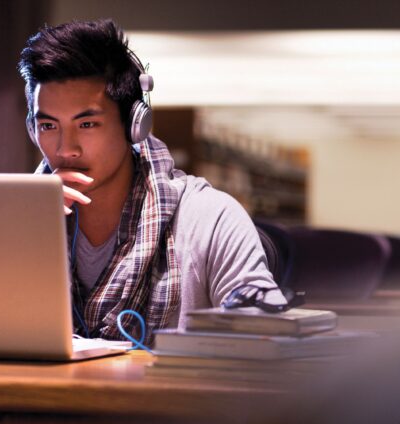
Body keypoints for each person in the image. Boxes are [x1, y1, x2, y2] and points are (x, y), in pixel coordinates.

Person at [18, 18, 282, 343]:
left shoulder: (209, 219)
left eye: (87, 125)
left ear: (134, 125)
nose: (65, 149)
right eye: (48, 126)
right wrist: (26, 232)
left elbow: (267, 339)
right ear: (32, 129)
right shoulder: (17, 220)